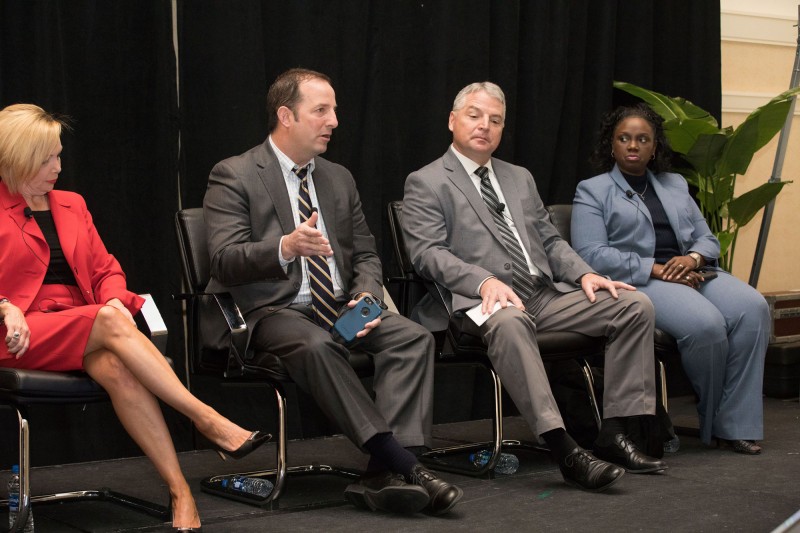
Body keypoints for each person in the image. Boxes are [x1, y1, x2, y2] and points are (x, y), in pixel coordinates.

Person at [202, 68, 462, 515]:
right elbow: (224, 259)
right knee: (318, 344)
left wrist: (365, 294)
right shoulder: (235, 173)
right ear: (286, 115)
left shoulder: (338, 178)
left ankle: (379, 476)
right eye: (321, 110)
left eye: (334, 110)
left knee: (413, 337)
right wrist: (285, 246)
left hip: (341, 307)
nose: (334, 121)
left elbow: (365, 253)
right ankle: (406, 465)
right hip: (273, 312)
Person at [0, 103, 270, 532]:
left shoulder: (72, 205)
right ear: (17, 159)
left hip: (84, 323)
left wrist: (109, 303)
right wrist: (5, 305)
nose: (58, 166)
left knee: (117, 366)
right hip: (19, 333)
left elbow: (107, 270)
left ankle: (181, 493)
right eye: (47, 157)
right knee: (109, 322)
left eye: (58, 154)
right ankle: (206, 418)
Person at [402, 81, 668, 492]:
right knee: (509, 322)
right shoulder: (427, 181)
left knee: (634, 306)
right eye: (474, 116)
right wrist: (484, 279)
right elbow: (428, 254)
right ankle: (564, 449)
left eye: (495, 120)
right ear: (452, 120)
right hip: (479, 301)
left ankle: (614, 432)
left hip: (543, 295)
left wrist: (583, 274)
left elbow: (549, 240)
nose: (484, 126)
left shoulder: (518, 177)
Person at [572, 103, 769, 454]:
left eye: (642, 139)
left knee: (753, 308)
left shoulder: (674, 184)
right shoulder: (593, 190)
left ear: (655, 146)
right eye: (625, 138)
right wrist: (656, 268)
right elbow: (591, 254)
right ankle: (718, 418)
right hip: (644, 279)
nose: (633, 145)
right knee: (706, 326)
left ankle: (735, 423)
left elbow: (707, 238)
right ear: (612, 145)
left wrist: (691, 258)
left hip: (692, 271)